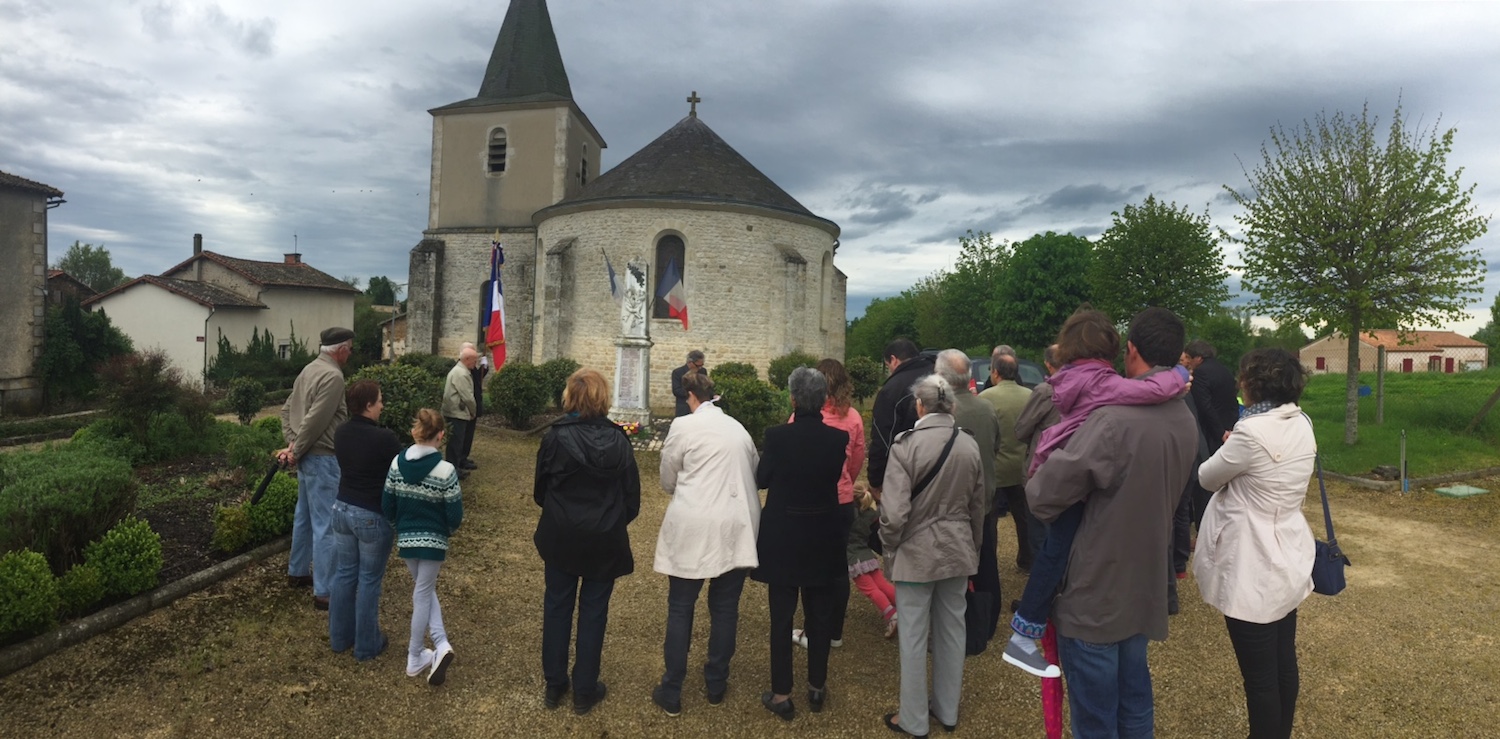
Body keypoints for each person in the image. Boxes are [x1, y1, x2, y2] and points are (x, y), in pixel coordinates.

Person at [1026, 308, 1198, 738]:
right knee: (1136, 702)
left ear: (1132, 350)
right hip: (1144, 584)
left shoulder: (1110, 421)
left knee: (1095, 719)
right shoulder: (1184, 417)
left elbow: (1043, 496)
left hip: (1095, 594)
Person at [1194, 348, 1317, 739]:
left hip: (1252, 563)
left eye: (1241, 379)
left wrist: (1231, 445)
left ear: (1252, 384)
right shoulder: (1302, 421)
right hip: (1289, 553)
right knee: (1283, 663)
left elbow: (1207, 477)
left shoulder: (1249, 431)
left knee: (1259, 678)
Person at [879, 374, 987, 737]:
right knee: (952, 630)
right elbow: (978, 508)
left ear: (920, 405)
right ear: (951, 406)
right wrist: (973, 547)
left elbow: (893, 515)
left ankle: (913, 719)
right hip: (957, 548)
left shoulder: (905, 446)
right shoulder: (968, 445)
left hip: (915, 551)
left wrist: (889, 544)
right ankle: (947, 708)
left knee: (913, 634)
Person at [652, 372, 761, 717]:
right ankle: (716, 683)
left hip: (696, 523)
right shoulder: (738, 428)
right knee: (725, 608)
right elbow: (754, 472)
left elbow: (668, 476)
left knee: (681, 606)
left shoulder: (684, 427)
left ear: (690, 396)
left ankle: (672, 688)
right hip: (736, 523)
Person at [534, 369, 641, 715]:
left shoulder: (556, 438)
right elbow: (631, 501)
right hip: (601, 538)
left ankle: (557, 684)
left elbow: (542, 492)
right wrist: (606, 521)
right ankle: (581, 689)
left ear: (571, 397)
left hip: (565, 535)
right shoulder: (618, 442)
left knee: (557, 606)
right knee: (593, 612)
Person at [754, 367, 849, 721]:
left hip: (783, 533)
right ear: (824, 399)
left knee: (781, 617)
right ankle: (816, 687)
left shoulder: (777, 437)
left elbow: (762, 480)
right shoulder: (837, 440)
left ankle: (781, 693)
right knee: (818, 615)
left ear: (793, 399)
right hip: (822, 532)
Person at [383, 409, 464, 687]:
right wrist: (444, 533)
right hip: (433, 542)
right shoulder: (446, 471)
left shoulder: (396, 463)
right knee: (423, 593)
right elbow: (455, 516)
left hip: (406, 539)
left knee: (423, 589)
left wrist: (400, 529)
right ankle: (415, 655)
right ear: (441, 435)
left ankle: (440, 645)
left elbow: (387, 506)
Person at [789, 358, 865, 652]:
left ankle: (811, 630)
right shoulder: (855, 417)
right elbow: (857, 460)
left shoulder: (801, 417)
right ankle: (835, 632)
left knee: (810, 567)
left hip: (810, 501)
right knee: (837, 568)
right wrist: (845, 482)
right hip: (842, 500)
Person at [278, 326, 354, 610]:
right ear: (341, 349)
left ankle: (297, 572)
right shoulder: (334, 377)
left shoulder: (308, 369)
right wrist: (295, 449)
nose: (350, 354)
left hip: (309, 456)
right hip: (322, 458)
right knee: (326, 525)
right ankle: (324, 591)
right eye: (350, 349)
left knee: (304, 516)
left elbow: (287, 411)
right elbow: (315, 420)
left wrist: (291, 445)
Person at [329, 379, 402, 661]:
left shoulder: (341, 433)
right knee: (369, 580)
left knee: (345, 574)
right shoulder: (385, 438)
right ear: (369, 405)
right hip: (371, 515)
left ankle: (339, 638)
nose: (383, 405)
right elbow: (400, 470)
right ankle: (367, 645)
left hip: (341, 509)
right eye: (380, 400)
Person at [935, 349, 1001, 647]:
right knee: (986, 560)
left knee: (950, 567)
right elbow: (996, 447)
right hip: (983, 499)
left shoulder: (940, 413)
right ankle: (986, 621)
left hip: (950, 504)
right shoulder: (987, 408)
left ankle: (954, 625)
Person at [978, 348, 1033, 576]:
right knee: (1024, 517)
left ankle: (990, 563)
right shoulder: (1030, 395)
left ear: (996, 373)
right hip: (1022, 466)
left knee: (989, 519)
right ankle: (1027, 559)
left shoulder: (985, 399)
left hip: (996, 467)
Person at [1013, 344, 1062, 566]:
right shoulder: (1087, 387)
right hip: (1072, 467)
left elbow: (1021, 429)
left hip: (1042, 467)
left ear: (1047, 364)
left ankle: (1043, 586)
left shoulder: (1045, 391)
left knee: (1039, 530)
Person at [868, 339, 935, 500]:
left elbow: (883, 437)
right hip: (946, 462)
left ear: (894, 359)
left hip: (907, 471)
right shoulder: (939, 376)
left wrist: (875, 479)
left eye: (888, 365)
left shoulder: (892, 389)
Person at [1183, 340, 1240, 526]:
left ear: (1199, 358)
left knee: (1204, 481)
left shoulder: (1200, 374)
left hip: (1211, 433)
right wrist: (1230, 428)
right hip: (1228, 428)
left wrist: (1219, 432)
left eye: (1190, 359)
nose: (1188, 363)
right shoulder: (1224, 370)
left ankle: (1203, 523)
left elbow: (1204, 406)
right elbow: (1231, 401)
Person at [846, 483, 898, 637]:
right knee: (882, 584)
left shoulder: (849, 515)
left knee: (870, 590)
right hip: (867, 556)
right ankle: (904, 606)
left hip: (853, 558)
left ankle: (891, 614)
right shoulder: (870, 514)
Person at [441, 346, 479, 479]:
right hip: (456, 413)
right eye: (474, 360)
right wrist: (474, 411)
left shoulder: (461, 371)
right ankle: (453, 470)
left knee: (457, 442)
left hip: (456, 412)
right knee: (455, 443)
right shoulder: (461, 373)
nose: (476, 363)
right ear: (467, 359)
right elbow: (467, 397)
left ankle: (457, 465)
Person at [460, 342, 487, 470]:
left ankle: (464, 457)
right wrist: (472, 409)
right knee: (464, 435)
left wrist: (484, 367)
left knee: (469, 434)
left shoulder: (470, 368)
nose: (475, 360)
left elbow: (477, 379)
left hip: (473, 405)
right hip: (466, 408)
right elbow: (466, 394)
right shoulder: (463, 369)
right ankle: (460, 459)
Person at [670, 350, 706, 417]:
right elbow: (676, 391)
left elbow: (706, 386)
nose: (700, 367)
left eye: (702, 365)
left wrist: (713, 395)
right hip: (684, 407)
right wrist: (693, 394)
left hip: (699, 407)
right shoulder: (677, 372)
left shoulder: (703, 371)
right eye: (698, 365)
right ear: (690, 362)